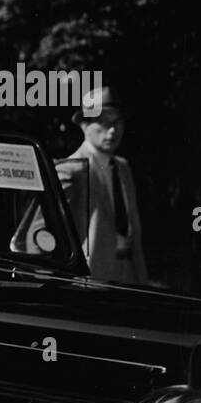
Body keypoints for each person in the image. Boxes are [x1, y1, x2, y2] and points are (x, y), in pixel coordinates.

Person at [56, 86, 148, 283]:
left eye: (117, 122)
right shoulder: (71, 169)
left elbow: (133, 232)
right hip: (92, 280)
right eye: (103, 122)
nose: (113, 130)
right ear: (84, 125)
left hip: (130, 277)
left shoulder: (122, 167)